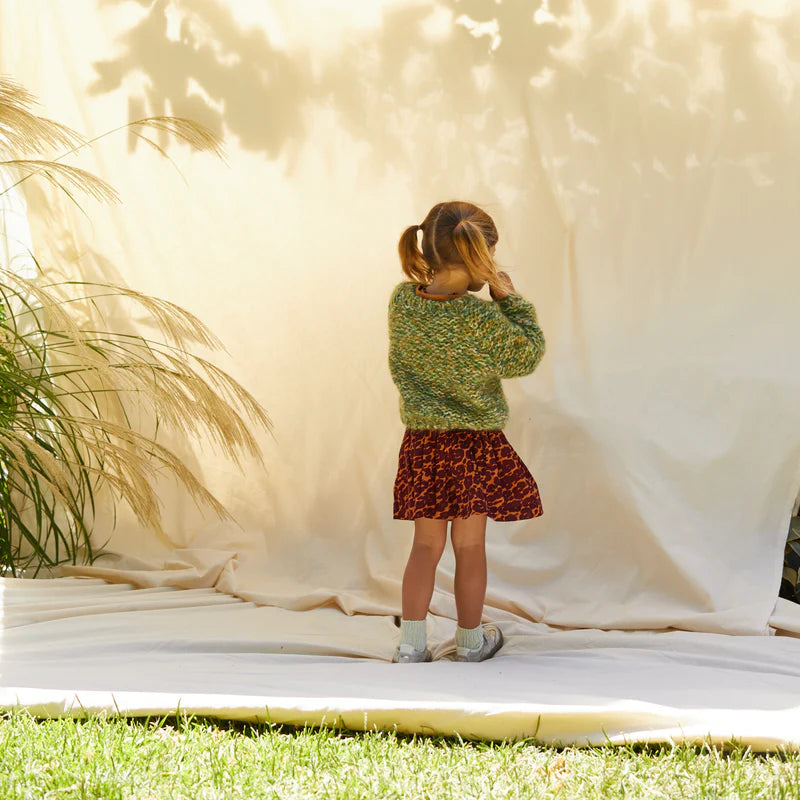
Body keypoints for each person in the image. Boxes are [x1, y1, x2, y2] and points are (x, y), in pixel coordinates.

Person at [388, 200, 546, 664]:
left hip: (423, 444)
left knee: (424, 546)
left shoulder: (402, 303)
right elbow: (528, 354)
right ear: (480, 256)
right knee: (470, 546)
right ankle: (471, 642)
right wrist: (509, 300)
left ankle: (411, 645)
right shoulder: (481, 320)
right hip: (472, 447)